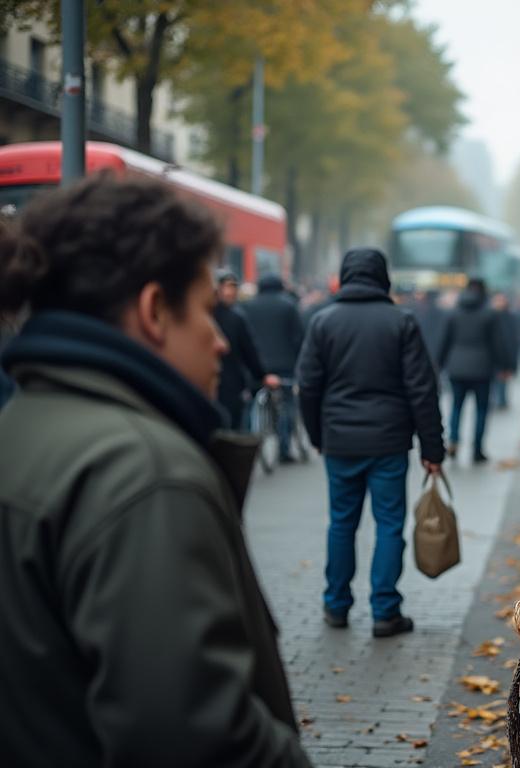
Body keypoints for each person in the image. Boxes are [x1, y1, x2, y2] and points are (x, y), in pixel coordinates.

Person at [0, 175, 308, 765]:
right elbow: (196, 738)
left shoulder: (21, 427)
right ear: (154, 311)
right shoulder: (145, 472)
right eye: (206, 311)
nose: (220, 341)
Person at [297, 247, 444, 638]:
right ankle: (385, 611)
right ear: (383, 277)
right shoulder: (401, 321)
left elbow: (308, 386)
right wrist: (432, 448)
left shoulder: (323, 321)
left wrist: (317, 436)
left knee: (341, 523)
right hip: (388, 443)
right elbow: (422, 390)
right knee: (389, 525)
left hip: (339, 441)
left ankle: (336, 604)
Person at [439, 278, 510, 462]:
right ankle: (477, 449)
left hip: (456, 367)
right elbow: (498, 343)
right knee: (481, 409)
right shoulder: (490, 314)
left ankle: (454, 440)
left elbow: (444, 341)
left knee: (456, 406)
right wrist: (504, 366)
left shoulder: (453, 313)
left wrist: (438, 364)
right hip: (482, 368)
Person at [240, 273, 305, 460]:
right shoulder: (289, 306)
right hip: (284, 365)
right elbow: (299, 338)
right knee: (286, 405)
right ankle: (284, 448)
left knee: (251, 403)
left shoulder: (247, 307)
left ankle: (249, 443)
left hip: (256, 366)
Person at [213, 269, 274, 429]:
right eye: (228, 286)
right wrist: (262, 375)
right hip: (230, 386)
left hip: (221, 385)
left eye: (234, 287)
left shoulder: (211, 315)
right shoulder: (235, 317)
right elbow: (250, 352)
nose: (231, 292)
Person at [490, 291, 519, 410]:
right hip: (491, 357)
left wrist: (512, 364)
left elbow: (512, 340)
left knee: (502, 382)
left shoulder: (509, 317)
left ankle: (501, 401)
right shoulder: (489, 316)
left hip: (504, 356)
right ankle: (495, 400)